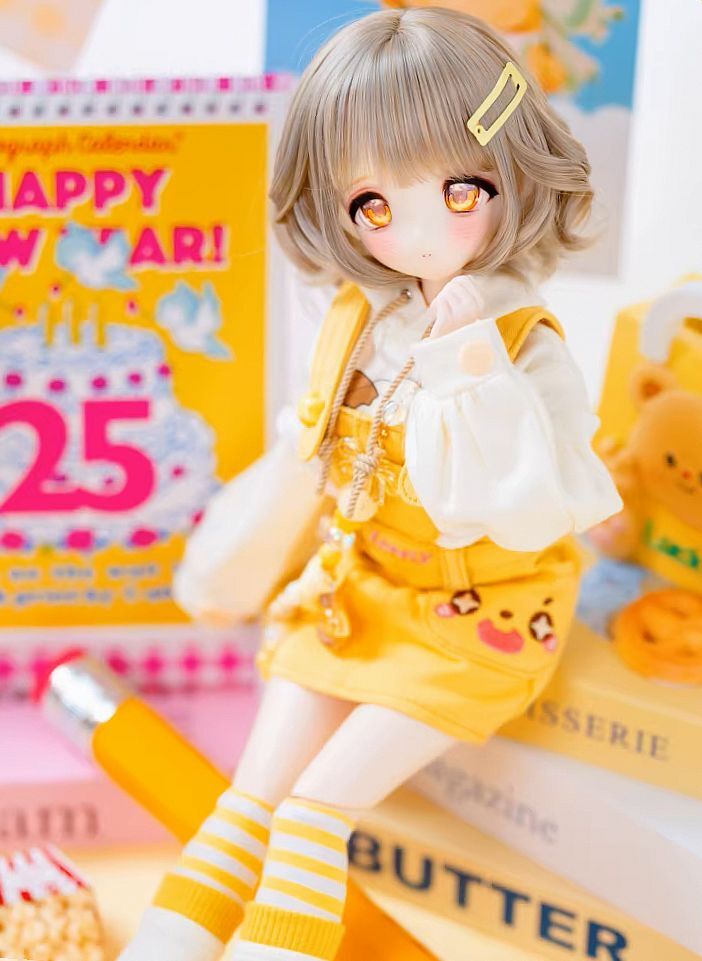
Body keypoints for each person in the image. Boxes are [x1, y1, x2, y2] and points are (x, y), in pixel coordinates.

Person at [119, 8, 621, 961]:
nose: (419, 235)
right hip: (358, 593)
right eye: (375, 207)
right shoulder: (359, 319)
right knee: (248, 806)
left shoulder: (523, 344)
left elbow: (524, 514)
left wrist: (469, 370)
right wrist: (236, 564)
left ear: (514, 168)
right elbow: (306, 459)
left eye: (460, 190)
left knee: (313, 813)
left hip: (477, 614)